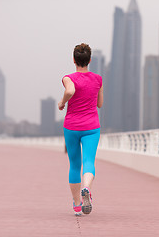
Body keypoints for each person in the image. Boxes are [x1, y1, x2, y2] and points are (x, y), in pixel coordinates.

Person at [58, 43, 103, 216]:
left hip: (71, 127)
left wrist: (62, 103)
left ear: (74, 60)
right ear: (89, 60)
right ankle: (87, 187)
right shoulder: (98, 79)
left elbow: (70, 91)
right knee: (89, 161)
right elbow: (99, 104)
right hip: (92, 127)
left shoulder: (68, 78)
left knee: (74, 165)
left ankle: (77, 205)